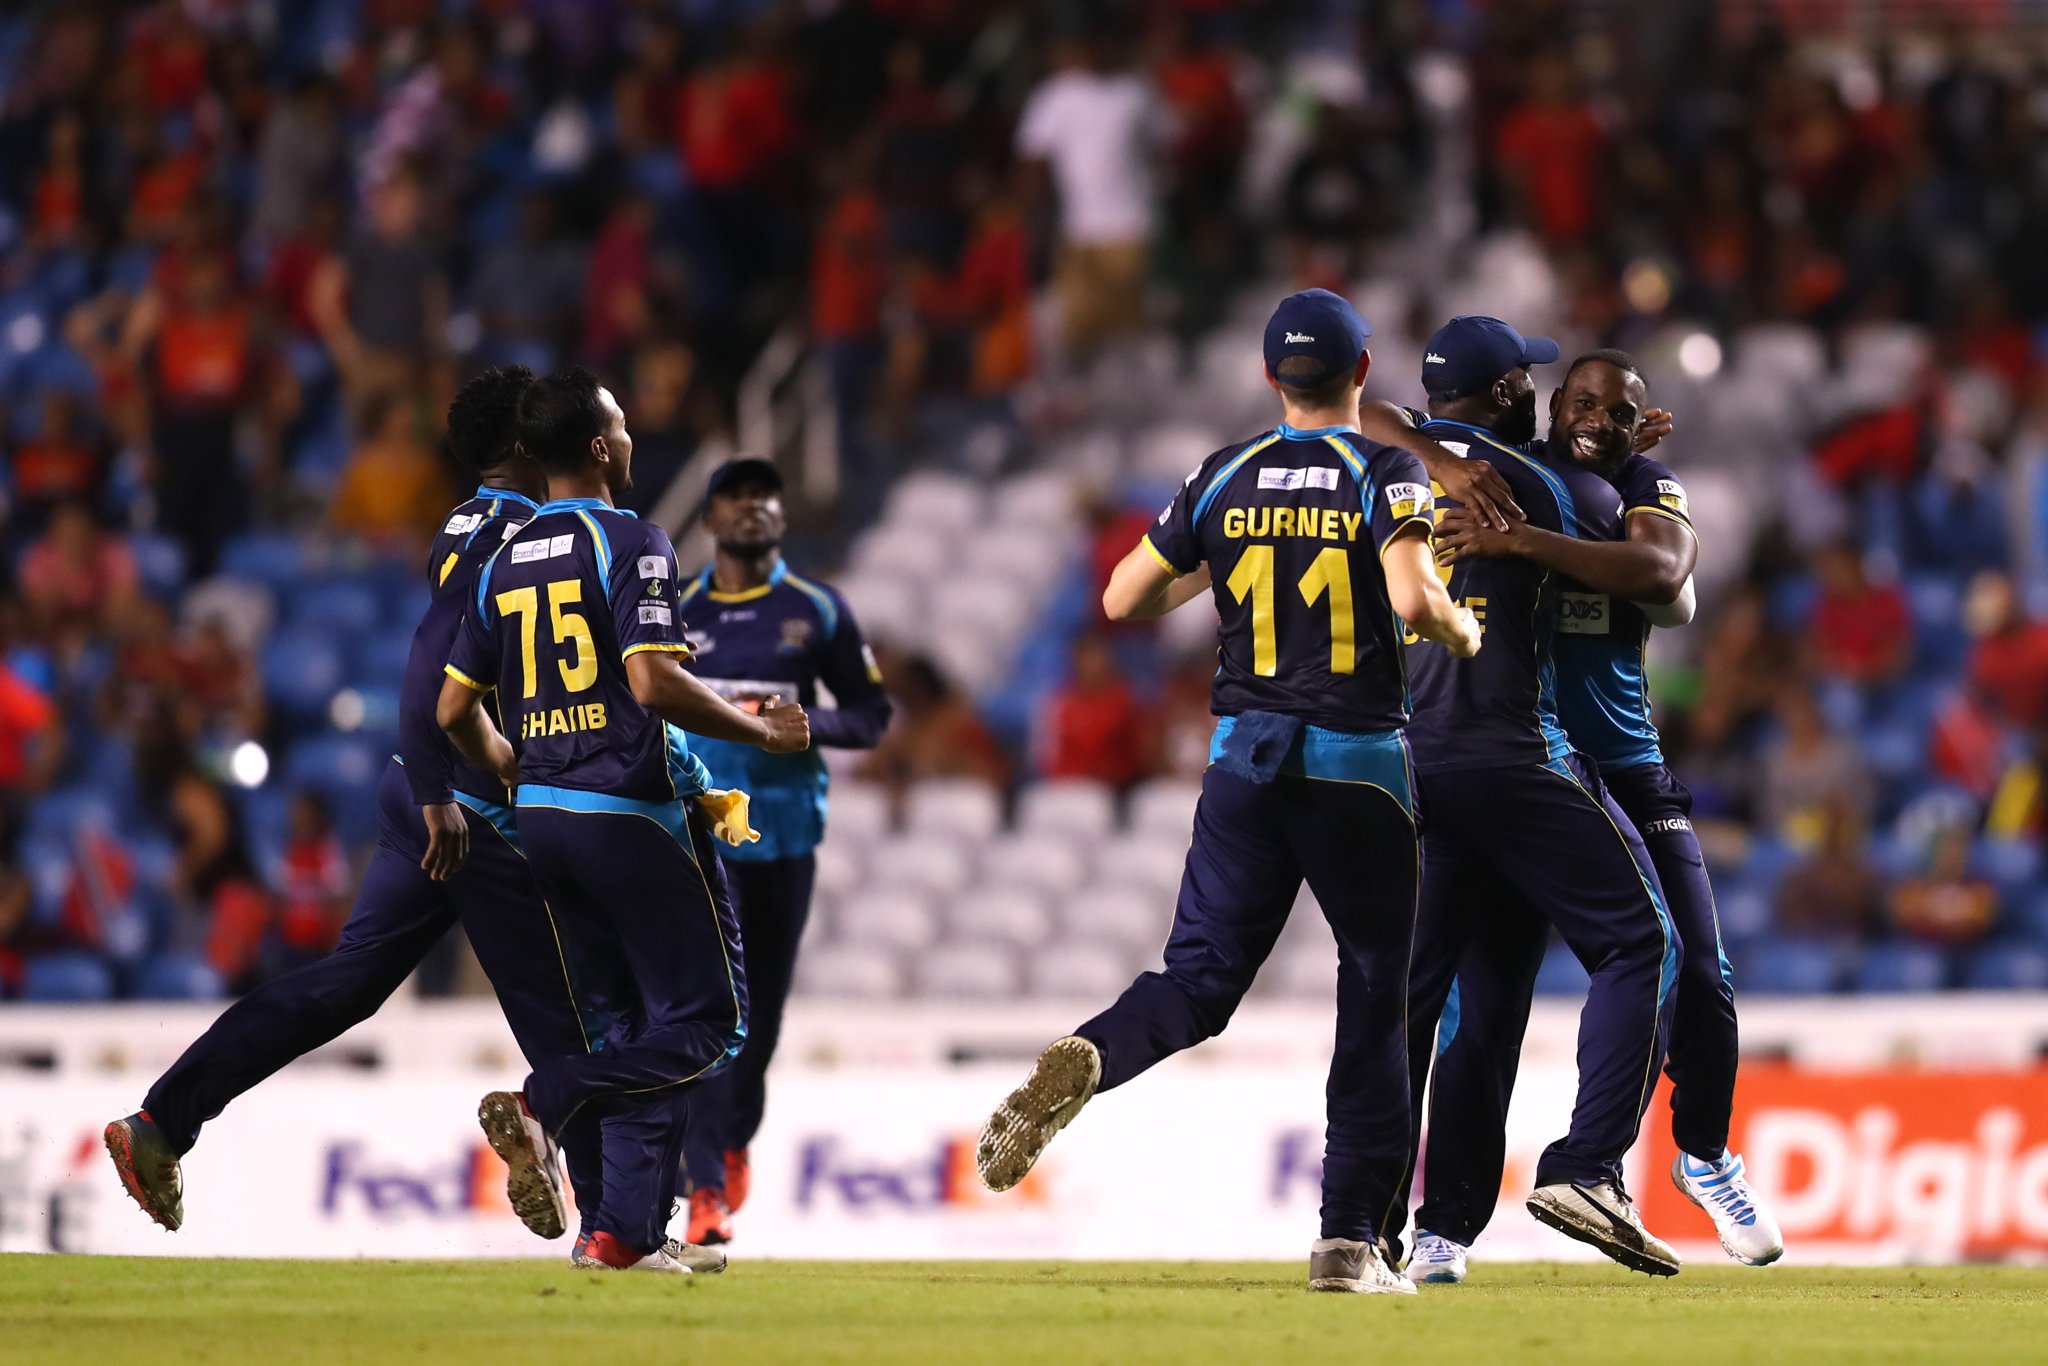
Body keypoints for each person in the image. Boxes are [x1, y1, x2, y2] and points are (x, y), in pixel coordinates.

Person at [103, 368, 722, 1275]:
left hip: (425, 792)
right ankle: (613, 1231)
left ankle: (163, 1121)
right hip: (477, 811)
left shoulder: (467, 521)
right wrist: (445, 794)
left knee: (346, 984)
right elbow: (432, 667)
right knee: (587, 1021)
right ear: (530, 445)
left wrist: (430, 786)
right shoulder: (526, 534)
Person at [973, 289, 1480, 1296]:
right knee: (1378, 996)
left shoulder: (1223, 471)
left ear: (1268, 377)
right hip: (1355, 767)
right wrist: (1461, 629)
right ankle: (1347, 1241)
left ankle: (1093, 1051)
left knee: (1199, 978)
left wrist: (1227, 568)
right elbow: (1412, 598)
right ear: (1361, 373)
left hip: (1242, 762)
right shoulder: (1385, 470)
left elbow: (1123, 595)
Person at [437, 367, 811, 1271]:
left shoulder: (504, 559)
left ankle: (622, 1235)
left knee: (628, 1030)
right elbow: (652, 682)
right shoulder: (633, 539)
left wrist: (519, 768)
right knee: (708, 1026)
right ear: (602, 448)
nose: (635, 435)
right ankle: (545, 1101)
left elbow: (453, 709)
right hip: (630, 818)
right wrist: (760, 729)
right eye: (625, 423)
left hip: (543, 822)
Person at [1420, 349, 1784, 1277]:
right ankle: (1444, 1227)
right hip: (1526, 769)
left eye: (1617, 410)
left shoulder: (1640, 486)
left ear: (1639, 424)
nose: (1596, 418)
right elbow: (1384, 419)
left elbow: (1667, 578)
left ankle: (1702, 1153)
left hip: (1623, 765)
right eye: (1581, 402)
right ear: (1550, 407)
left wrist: (1527, 544)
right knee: (1485, 1012)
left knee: (1696, 966)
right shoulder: (1506, 479)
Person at [1359, 319, 1684, 1277]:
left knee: (1449, 1003)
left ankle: (1395, 1230)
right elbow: (1662, 577)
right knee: (1643, 942)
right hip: (1512, 757)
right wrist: (1619, 462)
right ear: (1508, 394)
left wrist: (1431, 454)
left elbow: (1363, 412)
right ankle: (1587, 1168)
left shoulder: (1381, 473)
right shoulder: (1550, 487)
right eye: (1534, 382)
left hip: (1407, 768)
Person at [671, 456, 892, 1245]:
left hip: (787, 834)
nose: (752, 508)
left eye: (765, 497)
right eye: (735, 497)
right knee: (712, 1009)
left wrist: (806, 722)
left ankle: (731, 1144)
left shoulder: (817, 611)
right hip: (702, 833)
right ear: (709, 518)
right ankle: (702, 1187)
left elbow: (869, 716)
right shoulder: (673, 607)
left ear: (783, 517)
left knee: (758, 1021)